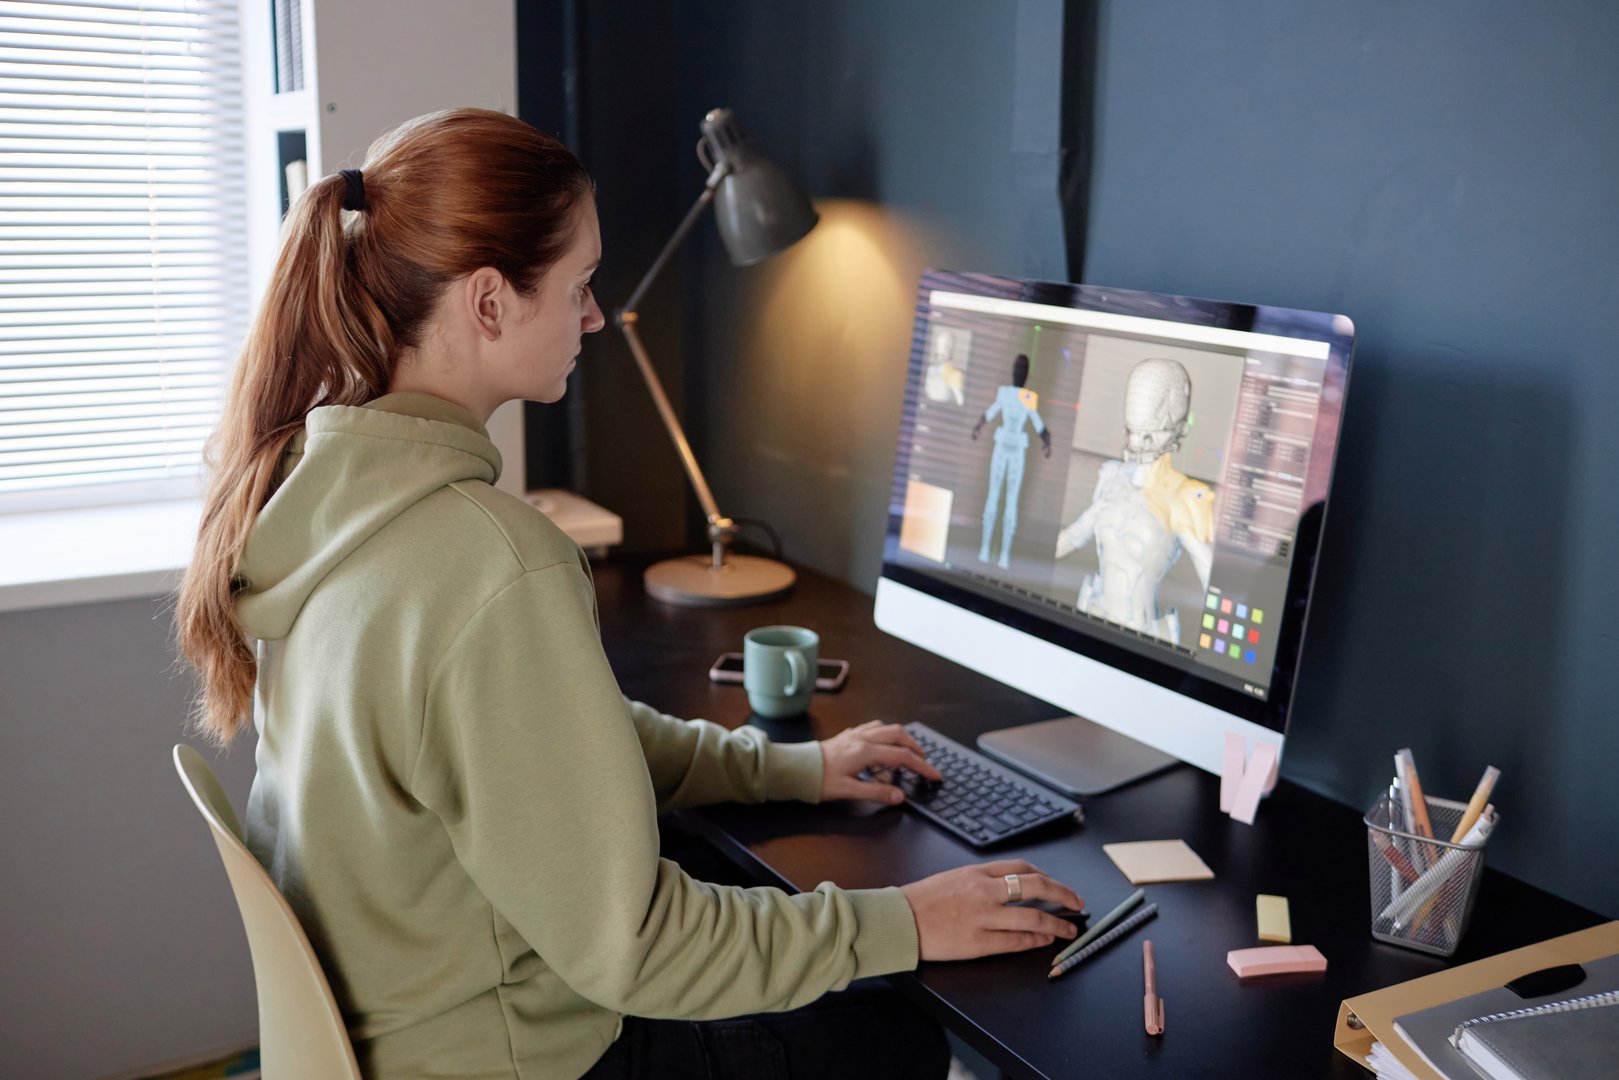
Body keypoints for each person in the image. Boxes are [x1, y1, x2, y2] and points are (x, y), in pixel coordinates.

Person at [176, 109, 1083, 1080]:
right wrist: (906, 920)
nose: (596, 317)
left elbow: (555, 749)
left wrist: (787, 770)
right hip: (518, 1062)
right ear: (489, 302)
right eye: (578, 286)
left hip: (401, 1042)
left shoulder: (319, 508)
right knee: (896, 1030)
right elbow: (637, 947)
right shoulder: (490, 562)